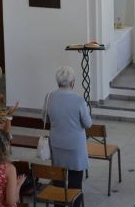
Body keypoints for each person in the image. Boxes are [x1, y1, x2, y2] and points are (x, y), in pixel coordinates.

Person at [46, 66, 92, 202]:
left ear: (57, 82)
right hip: (75, 146)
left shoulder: (49, 97)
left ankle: (59, 204)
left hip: (57, 144)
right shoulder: (79, 100)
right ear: (73, 83)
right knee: (75, 183)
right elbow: (88, 124)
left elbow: (45, 119)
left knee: (58, 182)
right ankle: (75, 203)